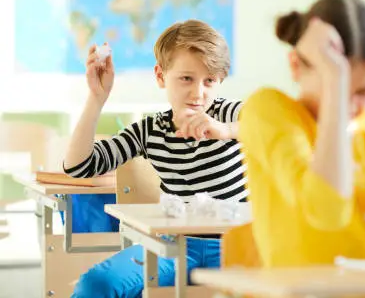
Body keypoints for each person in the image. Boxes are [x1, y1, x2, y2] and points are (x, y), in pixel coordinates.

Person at [238, 0, 365, 268]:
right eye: (337, 88)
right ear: (295, 66)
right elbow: (327, 211)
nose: (351, 105)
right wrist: (336, 78)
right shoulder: (268, 111)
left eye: (363, 91)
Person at [64, 19, 247, 297]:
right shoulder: (150, 131)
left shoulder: (229, 114)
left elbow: (273, 125)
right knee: (95, 285)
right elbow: (79, 166)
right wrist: (97, 98)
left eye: (209, 81)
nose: (198, 93)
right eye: (186, 78)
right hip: (171, 247)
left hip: (238, 247)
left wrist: (227, 131)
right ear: (161, 76)